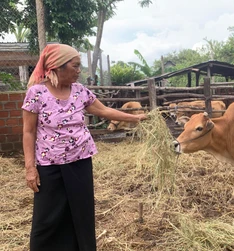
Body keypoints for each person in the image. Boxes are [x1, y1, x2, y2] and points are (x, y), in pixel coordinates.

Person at [22, 43, 147, 251]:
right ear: (57, 66)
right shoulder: (37, 93)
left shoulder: (80, 91)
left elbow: (105, 111)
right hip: (49, 165)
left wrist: (137, 118)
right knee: (47, 217)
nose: (79, 70)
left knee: (81, 213)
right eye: (75, 65)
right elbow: (28, 131)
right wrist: (30, 168)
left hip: (80, 162)